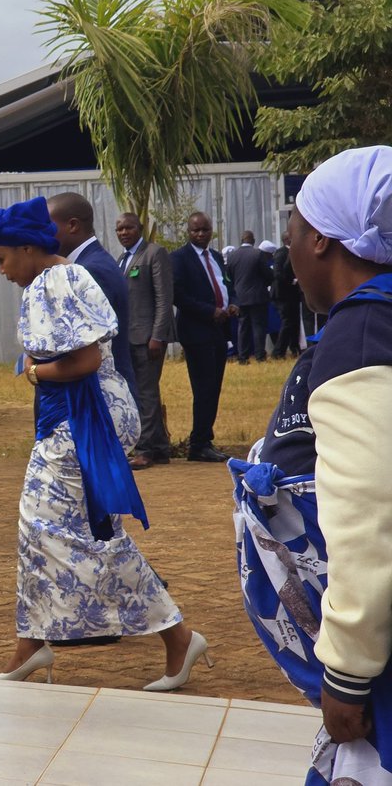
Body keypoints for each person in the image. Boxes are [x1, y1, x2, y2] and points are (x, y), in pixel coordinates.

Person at [0, 196, 209, 690]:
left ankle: (176, 634)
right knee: (41, 532)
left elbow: (83, 360)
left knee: (81, 534)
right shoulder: (72, 271)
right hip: (89, 415)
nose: (0, 270)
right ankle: (32, 643)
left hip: (79, 421)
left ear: (27, 247)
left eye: (2, 259)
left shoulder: (50, 281)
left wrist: (35, 371)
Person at [231, 145, 392, 784]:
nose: (288, 250)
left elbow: (370, 512)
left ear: (321, 240)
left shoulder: (363, 334)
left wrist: (348, 673)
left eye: (292, 230)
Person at [47, 193, 137, 401]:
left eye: (49, 227)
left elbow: (90, 349)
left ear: (72, 225)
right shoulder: (92, 262)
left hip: (103, 399)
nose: (44, 234)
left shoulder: (90, 270)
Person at [171, 212, 238, 462]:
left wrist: (234, 303)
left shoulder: (218, 257)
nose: (200, 234)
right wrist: (210, 311)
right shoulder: (179, 258)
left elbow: (228, 285)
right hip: (196, 331)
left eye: (204, 230)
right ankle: (198, 444)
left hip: (219, 331)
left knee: (214, 387)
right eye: (195, 231)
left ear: (212, 231)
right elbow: (178, 295)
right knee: (204, 388)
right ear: (188, 232)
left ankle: (204, 438)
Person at [114, 212, 174, 469]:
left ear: (139, 229)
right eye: (119, 229)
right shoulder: (121, 260)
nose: (124, 233)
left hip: (148, 339)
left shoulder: (154, 253)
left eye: (128, 228)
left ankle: (145, 449)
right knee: (141, 392)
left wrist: (158, 336)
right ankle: (160, 449)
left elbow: (164, 298)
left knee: (145, 394)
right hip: (127, 339)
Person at [225, 231, 273, 364]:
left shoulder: (233, 255)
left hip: (240, 297)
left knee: (243, 327)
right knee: (258, 326)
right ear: (253, 240)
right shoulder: (258, 254)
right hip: (257, 296)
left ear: (241, 240)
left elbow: (229, 275)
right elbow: (268, 274)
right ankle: (259, 356)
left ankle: (242, 356)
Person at [270, 230, 302, 359]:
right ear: (288, 240)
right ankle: (278, 352)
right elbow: (277, 273)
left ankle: (294, 347)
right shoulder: (281, 253)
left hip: (292, 294)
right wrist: (293, 281)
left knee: (294, 322)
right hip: (282, 294)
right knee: (287, 322)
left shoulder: (293, 252)